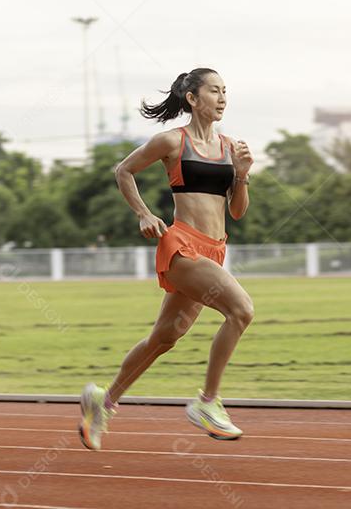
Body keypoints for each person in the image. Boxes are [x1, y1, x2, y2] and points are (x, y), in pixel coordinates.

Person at [78, 68, 255, 450]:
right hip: (182, 247)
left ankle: (102, 402)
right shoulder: (172, 142)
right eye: (214, 91)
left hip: (214, 249)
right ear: (192, 98)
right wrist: (143, 212)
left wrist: (241, 175)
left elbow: (237, 212)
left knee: (165, 337)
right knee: (241, 311)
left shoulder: (229, 147)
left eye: (226, 91)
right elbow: (123, 170)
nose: (222, 98)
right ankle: (207, 403)